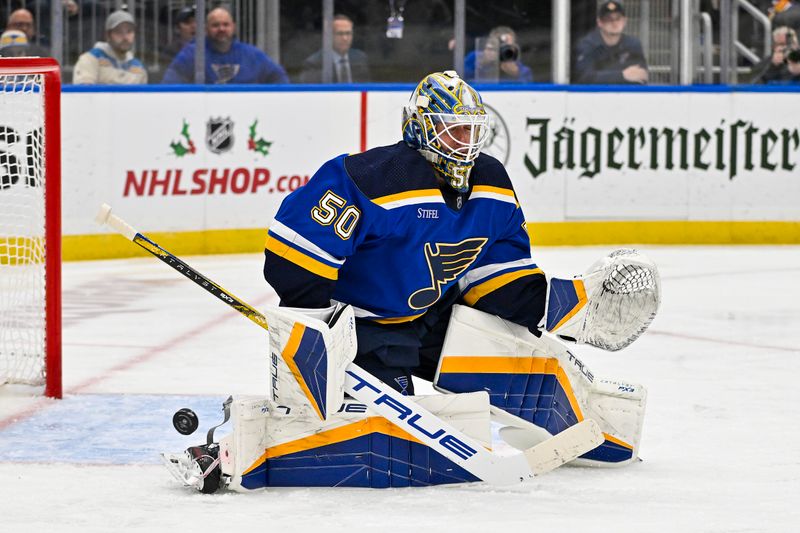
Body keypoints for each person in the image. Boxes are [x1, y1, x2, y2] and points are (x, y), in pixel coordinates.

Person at [262, 70, 546, 394]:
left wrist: (557, 306)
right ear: (420, 127)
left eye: (471, 129)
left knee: (523, 368)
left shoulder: (491, 182)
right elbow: (296, 253)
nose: (465, 142)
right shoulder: (377, 177)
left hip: (431, 320)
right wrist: (314, 324)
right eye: (452, 130)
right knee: (397, 435)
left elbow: (497, 277)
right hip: (364, 331)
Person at [162, 5, 289, 84]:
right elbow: (170, 84)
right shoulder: (192, 54)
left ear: (233, 27)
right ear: (206, 29)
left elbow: (279, 78)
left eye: (225, 24)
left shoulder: (251, 54)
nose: (221, 29)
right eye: (215, 25)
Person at [573, 1, 649, 85]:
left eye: (618, 18)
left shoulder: (633, 44)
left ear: (624, 21)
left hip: (626, 94)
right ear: (599, 23)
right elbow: (583, 78)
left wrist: (603, 74)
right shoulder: (588, 44)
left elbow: (641, 75)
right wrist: (622, 75)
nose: (614, 23)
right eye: (608, 19)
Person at [72, 10, 147, 84]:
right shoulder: (91, 59)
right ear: (108, 35)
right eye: (119, 32)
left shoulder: (139, 67)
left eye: (129, 31)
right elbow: (83, 93)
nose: (125, 37)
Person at [299, 14, 369, 83]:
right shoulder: (314, 63)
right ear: (329, 36)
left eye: (348, 33)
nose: (345, 38)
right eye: (340, 33)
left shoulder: (360, 58)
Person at [464, 26, 533, 83]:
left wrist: (516, 74)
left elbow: (528, 89)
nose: (502, 51)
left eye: (508, 47)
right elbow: (460, 78)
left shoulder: (521, 69)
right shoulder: (475, 58)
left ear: (514, 48)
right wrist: (482, 64)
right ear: (489, 44)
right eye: (498, 46)